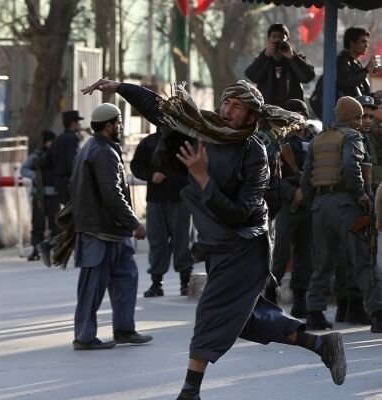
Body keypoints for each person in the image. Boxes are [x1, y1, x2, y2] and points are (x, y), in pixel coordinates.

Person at [82, 78, 347, 399]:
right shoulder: (207, 132)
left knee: (210, 312)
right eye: (226, 103)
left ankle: (189, 392)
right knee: (246, 321)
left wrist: (203, 178)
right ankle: (320, 344)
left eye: (237, 107)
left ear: (252, 117)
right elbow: (163, 111)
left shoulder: (255, 154)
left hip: (246, 247)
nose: (227, 111)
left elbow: (242, 211)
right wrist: (119, 86)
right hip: (219, 247)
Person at [68, 103, 152, 350]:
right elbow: (112, 194)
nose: (120, 127)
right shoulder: (103, 152)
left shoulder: (91, 148)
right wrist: (134, 222)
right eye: (118, 123)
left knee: (127, 278)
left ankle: (125, 330)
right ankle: (84, 337)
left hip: (111, 232)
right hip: (100, 233)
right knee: (92, 287)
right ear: (109, 126)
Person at [300, 96, 382, 333]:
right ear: (352, 117)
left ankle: (314, 313)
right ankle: (377, 313)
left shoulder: (319, 138)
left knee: (322, 262)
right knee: (362, 259)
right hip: (346, 205)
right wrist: (361, 194)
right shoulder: (352, 137)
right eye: (359, 117)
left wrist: (311, 204)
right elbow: (350, 165)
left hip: (320, 206)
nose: (361, 121)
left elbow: (306, 177)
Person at [130, 128, 194, 297]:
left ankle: (185, 282)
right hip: (156, 199)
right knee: (157, 241)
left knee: (182, 242)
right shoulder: (149, 142)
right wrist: (151, 175)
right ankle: (156, 283)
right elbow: (136, 165)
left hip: (181, 198)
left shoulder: (186, 139)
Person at [265, 99, 313, 318]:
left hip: (309, 203)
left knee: (305, 255)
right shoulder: (280, 139)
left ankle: (300, 299)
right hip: (288, 203)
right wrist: (292, 192)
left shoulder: (313, 139)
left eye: (301, 114)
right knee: (281, 253)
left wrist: (307, 190)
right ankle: (270, 296)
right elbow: (272, 174)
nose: (299, 119)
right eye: (294, 114)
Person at [310, 27, 379, 118]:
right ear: (352, 43)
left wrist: (376, 95)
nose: (367, 45)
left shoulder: (356, 63)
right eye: (363, 42)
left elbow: (361, 92)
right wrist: (366, 70)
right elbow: (345, 83)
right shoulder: (341, 60)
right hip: (344, 115)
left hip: (356, 114)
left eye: (367, 42)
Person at [245, 23, 315, 108]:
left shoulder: (296, 58)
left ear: (287, 40)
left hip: (291, 111)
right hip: (267, 110)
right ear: (268, 40)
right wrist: (265, 56)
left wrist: (292, 58)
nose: (277, 40)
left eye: (281, 37)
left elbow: (308, 77)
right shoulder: (263, 59)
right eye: (273, 36)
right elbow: (251, 76)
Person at [20, 130, 59, 262]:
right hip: (39, 196)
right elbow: (24, 169)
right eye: (50, 141)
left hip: (54, 194)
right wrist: (35, 176)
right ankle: (36, 249)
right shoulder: (37, 156)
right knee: (38, 224)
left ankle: (55, 249)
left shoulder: (56, 155)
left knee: (56, 224)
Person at [50, 110, 84, 206]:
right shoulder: (72, 138)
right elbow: (73, 162)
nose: (79, 125)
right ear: (73, 123)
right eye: (78, 122)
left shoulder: (57, 139)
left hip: (59, 183)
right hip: (70, 183)